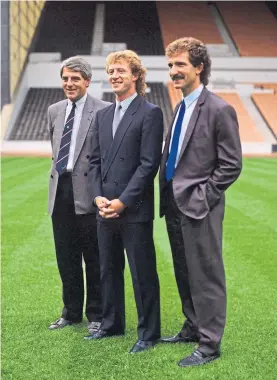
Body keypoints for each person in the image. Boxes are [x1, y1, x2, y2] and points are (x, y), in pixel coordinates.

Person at [159, 37, 242, 367]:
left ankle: (209, 344)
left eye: (180, 64)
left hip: (199, 206)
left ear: (199, 67)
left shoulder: (220, 109)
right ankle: (193, 326)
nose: (173, 71)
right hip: (173, 204)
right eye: (170, 66)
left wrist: (203, 197)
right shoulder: (180, 107)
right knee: (184, 271)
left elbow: (231, 164)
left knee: (206, 275)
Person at [86, 50, 163, 354]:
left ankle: (149, 333)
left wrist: (122, 202)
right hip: (104, 207)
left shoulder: (150, 112)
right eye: (111, 71)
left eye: (120, 70)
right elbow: (93, 161)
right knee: (108, 269)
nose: (114, 75)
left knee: (142, 271)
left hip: (134, 209)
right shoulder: (103, 115)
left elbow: (148, 165)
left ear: (135, 75)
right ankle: (111, 323)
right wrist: (98, 197)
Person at [47, 56, 110, 334]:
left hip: (89, 191)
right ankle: (71, 312)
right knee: (66, 256)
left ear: (87, 80)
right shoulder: (54, 110)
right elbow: (54, 146)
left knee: (93, 257)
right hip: (60, 189)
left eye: (75, 78)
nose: (69, 83)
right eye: (65, 78)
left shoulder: (104, 110)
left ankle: (96, 314)